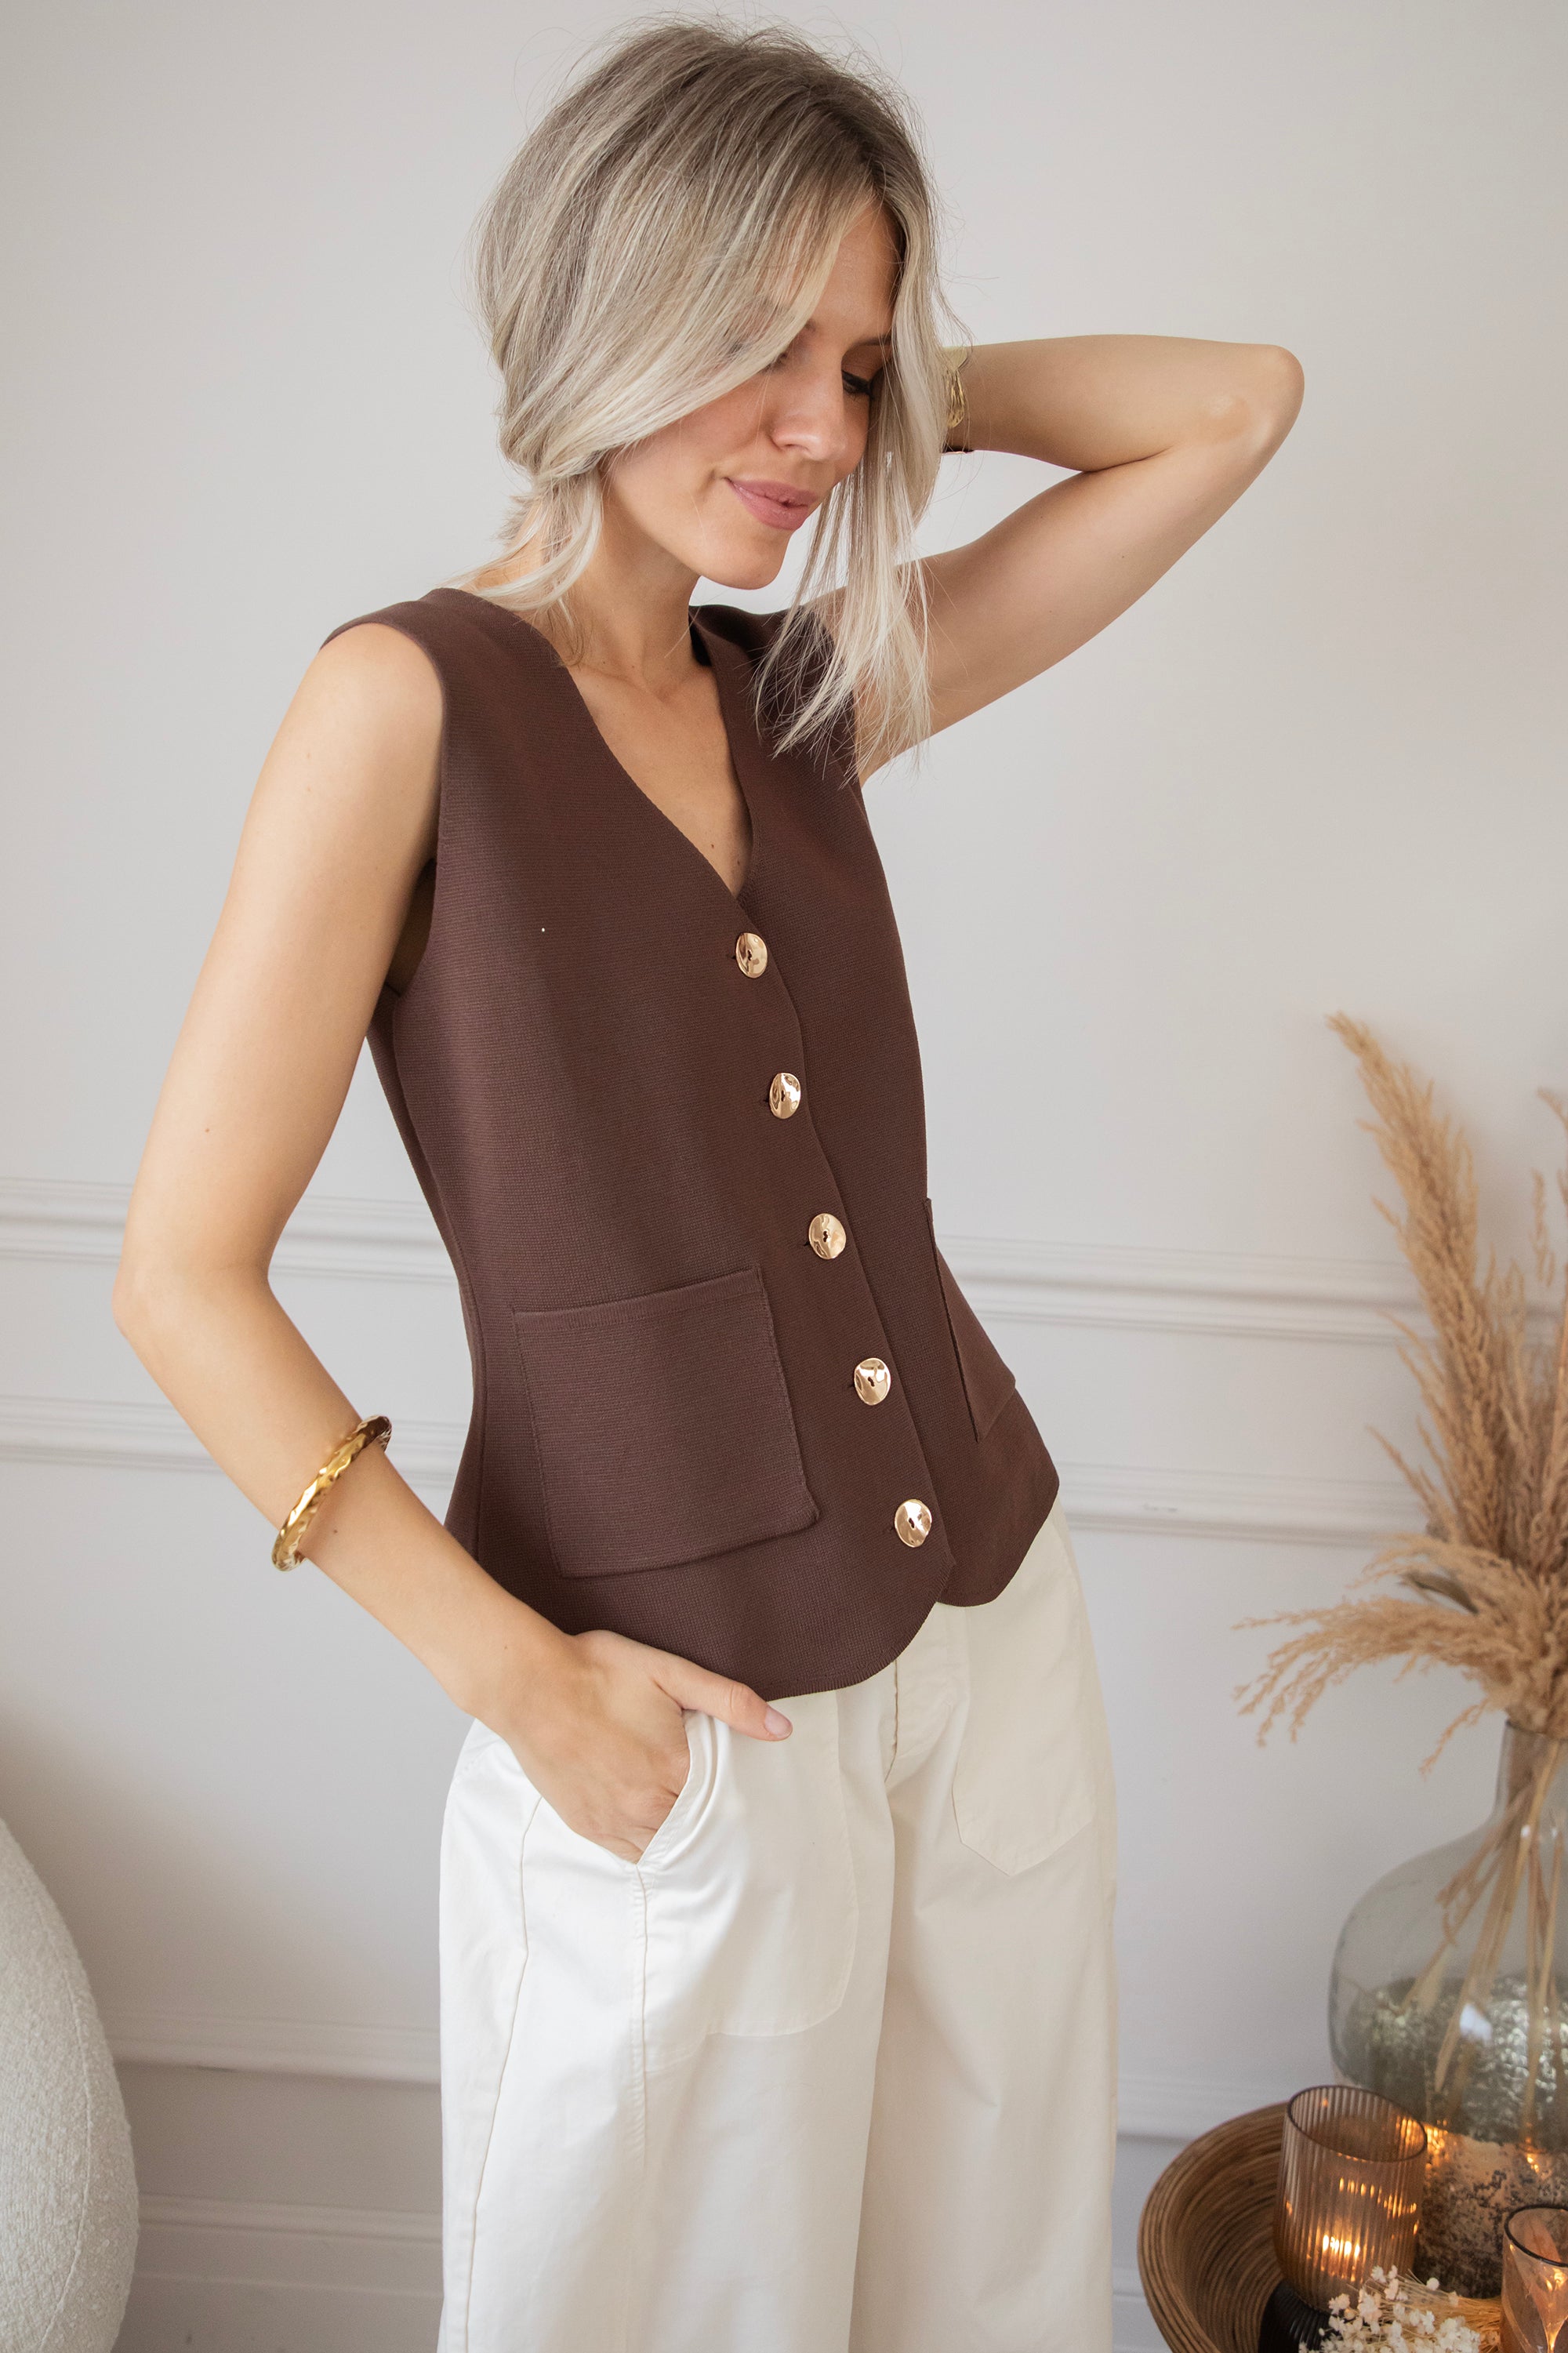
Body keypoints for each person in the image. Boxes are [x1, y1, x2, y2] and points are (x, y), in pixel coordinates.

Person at [113, 17, 1302, 2351]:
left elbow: (1233, 405)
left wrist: (878, 401)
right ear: (604, 309)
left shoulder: (806, 687)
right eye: (754, 342)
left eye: (853, 367)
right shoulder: (403, 704)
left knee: (986, 2296)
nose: (821, 435)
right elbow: (179, 1274)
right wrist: (517, 1681)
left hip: (987, 1636)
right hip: (676, 1710)